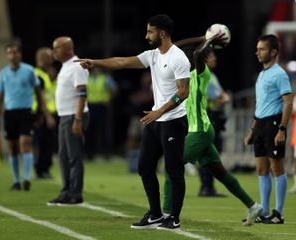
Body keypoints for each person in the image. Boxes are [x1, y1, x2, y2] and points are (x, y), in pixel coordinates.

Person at [77, 14, 191, 230]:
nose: (147, 35)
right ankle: (156, 214)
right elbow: (122, 62)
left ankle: (174, 218)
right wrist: (95, 63)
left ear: (162, 33)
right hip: (156, 120)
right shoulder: (153, 55)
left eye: (150, 31)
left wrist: (159, 111)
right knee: (144, 167)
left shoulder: (179, 58)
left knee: (174, 171)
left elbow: (183, 93)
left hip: (173, 121)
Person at [162, 34, 263, 226]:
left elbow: (199, 53)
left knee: (171, 167)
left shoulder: (202, 73)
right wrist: (200, 37)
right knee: (220, 173)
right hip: (201, 130)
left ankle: (166, 215)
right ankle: (253, 206)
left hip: (199, 131)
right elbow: (171, 47)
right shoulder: (185, 76)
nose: (214, 59)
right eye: (212, 56)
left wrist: (209, 40)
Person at [244, 34, 293, 224]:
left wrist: (282, 129)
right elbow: (260, 105)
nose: (257, 52)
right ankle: (262, 212)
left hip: (274, 124)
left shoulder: (279, 74)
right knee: (261, 169)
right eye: (257, 48)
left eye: (261, 49)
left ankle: (278, 214)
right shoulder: (263, 74)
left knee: (277, 168)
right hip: (261, 125)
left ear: (273, 52)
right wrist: (252, 130)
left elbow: (288, 103)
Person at [0, 42, 55, 191]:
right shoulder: (3, 73)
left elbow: (38, 93)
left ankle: (26, 179)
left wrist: (40, 112)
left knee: (25, 144)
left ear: (20, 54)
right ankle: (16, 181)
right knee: (13, 149)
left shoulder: (29, 71)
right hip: (10, 113)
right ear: (7, 56)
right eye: (10, 53)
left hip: (26, 113)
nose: (13, 55)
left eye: (15, 52)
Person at [47, 36, 89, 205]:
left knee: (74, 156)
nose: (53, 51)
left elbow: (82, 93)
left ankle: (75, 193)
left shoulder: (77, 66)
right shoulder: (66, 66)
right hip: (65, 115)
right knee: (64, 156)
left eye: (56, 48)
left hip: (74, 116)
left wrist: (78, 119)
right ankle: (66, 191)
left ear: (67, 49)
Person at [198, 48, 230, 197]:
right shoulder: (206, 76)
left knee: (211, 154)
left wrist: (223, 97)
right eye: (212, 56)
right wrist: (223, 98)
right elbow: (221, 99)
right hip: (209, 118)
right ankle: (206, 187)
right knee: (209, 154)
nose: (215, 59)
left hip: (212, 118)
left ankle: (208, 187)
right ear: (205, 60)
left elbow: (223, 96)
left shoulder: (212, 76)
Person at [32, 47, 58, 179]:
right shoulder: (38, 75)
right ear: (42, 59)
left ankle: (44, 169)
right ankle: (41, 169)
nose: (52, 58)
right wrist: (47, 116)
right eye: (49, 56)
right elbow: (40, 98)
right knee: (44, 143)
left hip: (47, 113)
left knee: (49, 143)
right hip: (41, 114)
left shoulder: (44, 75)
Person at [84, 67, 117, 160]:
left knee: (103, 130)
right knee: (89, 131)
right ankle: (89, 154)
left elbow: (114, 89)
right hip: (90, 106)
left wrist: (109, 99)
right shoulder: (87, 78)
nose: (96, 70)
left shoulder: (105, 78)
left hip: (101, 106)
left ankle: (106, 153)